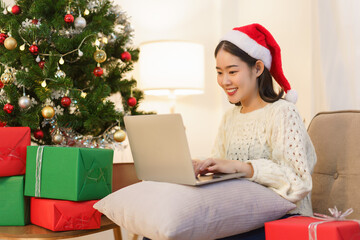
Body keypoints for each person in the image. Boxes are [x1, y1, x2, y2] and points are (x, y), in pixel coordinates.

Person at [191, 23, 317, 239]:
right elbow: (223, 170)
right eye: (220, 73)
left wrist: (244, 168)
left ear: (257, 68)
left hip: (283, 220)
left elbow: (299, 182)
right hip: (240, 215)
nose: (224, 81)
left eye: (232, 71)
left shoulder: (283, 112)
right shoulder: (229, 118)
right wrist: (203, 166)